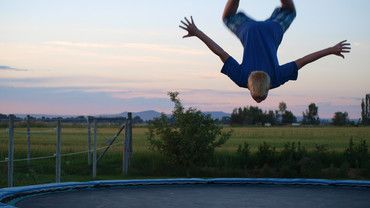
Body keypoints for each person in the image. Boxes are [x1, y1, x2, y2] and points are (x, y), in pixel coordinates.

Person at [179, 0, 351, 103]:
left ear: (268, 88)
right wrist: (197, 32)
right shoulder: (241, 79)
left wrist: (331, 50)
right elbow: (220, 52)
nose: (260, 101)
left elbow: (303, 61)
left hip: (272, 30)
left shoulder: (276, 79)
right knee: (227, 17)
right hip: (249, 30)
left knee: (289, 10)